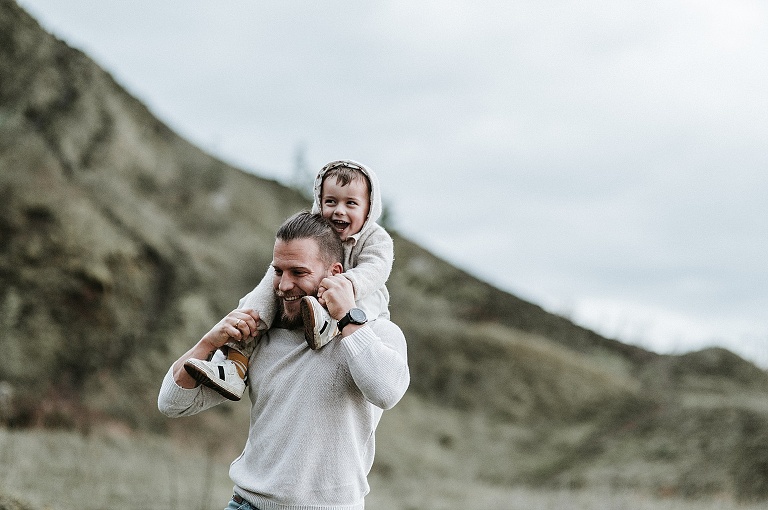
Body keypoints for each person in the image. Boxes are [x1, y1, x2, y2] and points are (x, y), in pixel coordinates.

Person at [158, 211, 409, 510]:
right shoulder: (259, 336)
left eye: (298, 273)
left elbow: (387, 392)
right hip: (246, 504)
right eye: (278, 271)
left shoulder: (377, 333)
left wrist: (346, 317)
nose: (284, 285)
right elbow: (172, 403)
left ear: (335, 272)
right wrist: (208, 342)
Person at [184, 160, 394, 400]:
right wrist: (250, 313)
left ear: (369, 209)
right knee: (265, 289)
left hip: (359, 300)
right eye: (331, 201)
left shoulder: (376, 239)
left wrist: (347, 285)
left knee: (368, 297)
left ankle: (331, 325)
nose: (339, 210)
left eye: (351, 203)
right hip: (313, 298)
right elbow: (171, 405)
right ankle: (235, 363)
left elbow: (376, 269)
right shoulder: (311, 238)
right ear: (319, 202)